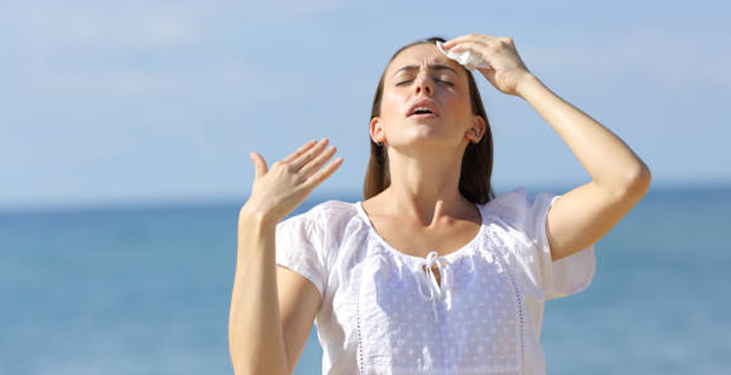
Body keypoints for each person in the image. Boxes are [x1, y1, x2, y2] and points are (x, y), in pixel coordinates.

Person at [228, 34, 651, 375]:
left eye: (446, 79)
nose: (423, 84)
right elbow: (260, 372)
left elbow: (625, 180)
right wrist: (256, 223)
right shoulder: (327, 236)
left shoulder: (519, 232)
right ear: (378, 128)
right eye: (405, 78)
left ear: (474, 127)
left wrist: (523, 82)